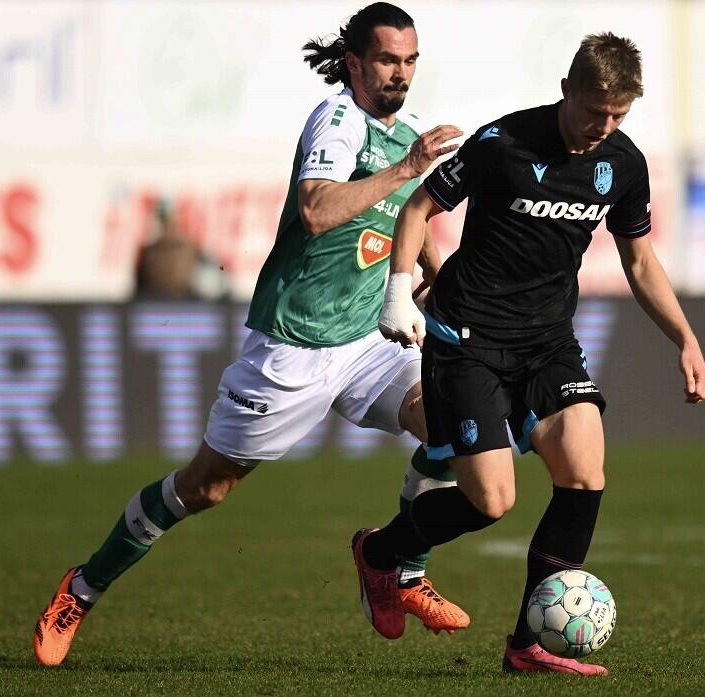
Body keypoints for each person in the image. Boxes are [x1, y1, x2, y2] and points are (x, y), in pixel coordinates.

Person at [33, 3, 469, 667]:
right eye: (387, 59)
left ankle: (397, 566)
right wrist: (407, 168)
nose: (400, 73)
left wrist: (438, 279)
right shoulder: (338, 121)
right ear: (354, 63)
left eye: (409, 61)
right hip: (294, 345)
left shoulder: (405, 136)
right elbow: (316, 209)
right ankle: (82, 587)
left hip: (367, 343)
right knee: (204, 487)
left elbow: (409, 219)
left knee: (452, 423)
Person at [353, 32, 705, 675]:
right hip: (467, 340)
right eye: (595, 111)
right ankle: (382, 553)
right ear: (567, 89)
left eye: (619, 115)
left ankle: (529, 643)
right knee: (490, 502)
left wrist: (685, 338)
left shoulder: (623, 164)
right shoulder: (504, 143)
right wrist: (399, 292)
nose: (605, 126)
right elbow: (417, 209)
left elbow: (638, 260)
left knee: (585, 468)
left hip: (547, 341)